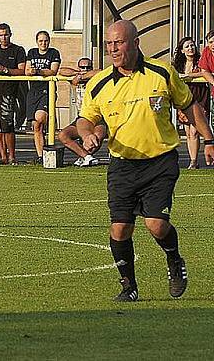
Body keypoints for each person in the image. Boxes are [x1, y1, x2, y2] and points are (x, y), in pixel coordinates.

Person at [77, 19, 214, 302]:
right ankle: (129, 287)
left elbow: (189, 105)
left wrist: (209, 140)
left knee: (156, 225)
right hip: (122, 165)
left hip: (160, 161)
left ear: (136, 43)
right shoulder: (99, 83)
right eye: (109, 44)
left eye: (119, 43)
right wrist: (88, 134)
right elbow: (84, 119)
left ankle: (174, 260)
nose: (113, 49)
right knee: (119, 228)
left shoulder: (161, 73)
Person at [0, 23, 26, 165]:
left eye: (6, 34)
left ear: (10, 34)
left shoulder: (18, 50)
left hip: (9, 91)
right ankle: (2, 156)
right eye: (1, 35)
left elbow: (22, 71)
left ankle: (12, 156)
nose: (4, 38)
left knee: (8, 125)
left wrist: (6, 70)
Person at [171, 37, 214, 169]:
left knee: (195, 131)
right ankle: (192, 160)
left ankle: (194, 161)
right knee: (188, 132)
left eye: (192, 46)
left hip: (199, 95)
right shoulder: (178, 65)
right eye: (187, 46)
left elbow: (205, 72)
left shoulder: (200, 61)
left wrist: (189, 75)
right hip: (184, 96)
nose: (191, 48)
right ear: (182, 50)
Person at [58, 57, 106, 166]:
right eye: (82, 67)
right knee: (63, 135)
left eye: (87, 67)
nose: (85, 69)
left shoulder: (96, 79)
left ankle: (83, 156)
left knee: (97, 136)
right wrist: (77, 73)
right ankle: (86, 156)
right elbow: (61, 70)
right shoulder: (75, 79)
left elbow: (100, 71)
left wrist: (82, 76)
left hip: (97, 117)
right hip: (82, 118)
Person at [24, 31, 61, 164]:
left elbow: (53, 71)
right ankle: (41, 156)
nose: (43, 43)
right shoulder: (32, 52)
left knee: (40, 118)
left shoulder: (53, 53)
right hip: (33, 92)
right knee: (36, 126)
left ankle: (49, 141)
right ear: (37, 42)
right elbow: (27, 71)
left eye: (45, 41)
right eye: (41, 41)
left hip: (47, 91)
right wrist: (31, 72)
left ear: (49, 41)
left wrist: (38, 72)